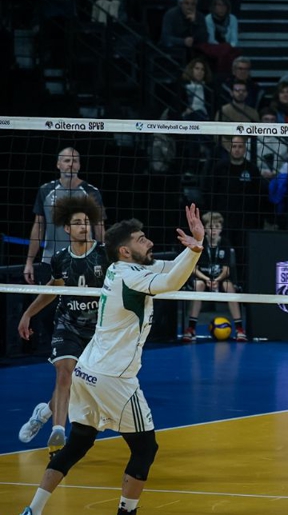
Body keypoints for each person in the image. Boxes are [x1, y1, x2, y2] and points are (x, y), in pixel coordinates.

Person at [18, 205, 206, 515]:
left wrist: (195, 246)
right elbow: (172, 281)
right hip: (114, 379)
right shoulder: (132, 277)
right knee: (146, 448)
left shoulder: (118, 270)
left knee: (78, 444)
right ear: (125, 250)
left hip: (87, 369)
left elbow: (168, 268)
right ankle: (126, 511)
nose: (149, 242)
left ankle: (33, 510)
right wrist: (196, 251)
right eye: (141, 239)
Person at [16, 196, 107, 453]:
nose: (83, 227)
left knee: (78, 382)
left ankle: (43, 413)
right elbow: (53, 290)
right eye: (77, 223)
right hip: (67, 324)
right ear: (66, 228)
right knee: (65, 374)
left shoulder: (104, 254)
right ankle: (58, 433)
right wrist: (27, 315)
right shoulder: (59, 259)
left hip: (97, 330)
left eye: (86, 222)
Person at [24, 149, 107, 285]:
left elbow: (100, 229)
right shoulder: (45, 191)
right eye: (67, 160)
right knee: (49, 303)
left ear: (79, 165)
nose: (71, 164)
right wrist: (29, 262)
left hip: (85, 261)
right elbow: (38, 227)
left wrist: (106, 259)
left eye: (75, 161)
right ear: (58, 164)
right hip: (51, 260)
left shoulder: (91, 192)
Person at [181, 211, 246, 343]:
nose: (213, 230)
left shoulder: (225, 244)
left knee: (229, 286)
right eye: (210, 227)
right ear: (205, 229)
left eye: (216, 227)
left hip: (219, 280)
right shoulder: (200, 243)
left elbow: (227, 270)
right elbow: (194, 269)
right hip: (202, 279)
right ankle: (191, 329)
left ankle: (239, 329)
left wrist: (216, 280)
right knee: (198, 285)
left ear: (221, 229)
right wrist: (206, 279)